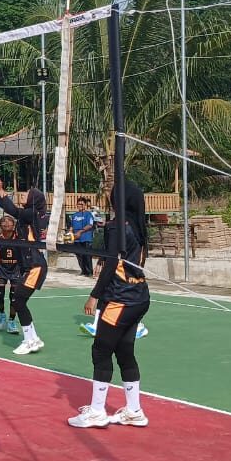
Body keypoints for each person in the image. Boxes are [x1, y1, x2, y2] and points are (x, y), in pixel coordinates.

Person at [69, 180, 151, 429]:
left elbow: (113, 263)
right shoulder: (138, 225)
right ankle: (134, 411)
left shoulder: (117, 225)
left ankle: (97, 411)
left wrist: (94, 295)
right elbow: (118, 259)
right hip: (139, 297)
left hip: (121, 299)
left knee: (101, 351)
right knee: (125, 352)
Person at [0, 172, 47, 355]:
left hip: (35, 266)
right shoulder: (29, 215)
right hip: (29, 266)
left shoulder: (32, 214)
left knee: (18, 300)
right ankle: (33, 338)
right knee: (19, 301)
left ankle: (29, 340)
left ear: (33, 200)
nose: (23, 194)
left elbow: (12, 210)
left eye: (27, 193)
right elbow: (9, 207)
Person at [69, 196, 97, 277]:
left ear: (85, 205)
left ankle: (89, 272)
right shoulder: (74, 215)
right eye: (78, 204)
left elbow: (90, 225)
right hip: (76, 239)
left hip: (86, 238)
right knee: (79, 255)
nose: (80, 206)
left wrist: (80, 232)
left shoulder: (88, 214)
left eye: (82, 204)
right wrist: (70, 232)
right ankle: (83, 271)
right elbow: (71, 226)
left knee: (87, 256)